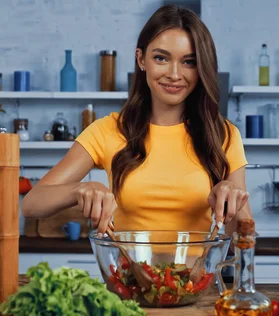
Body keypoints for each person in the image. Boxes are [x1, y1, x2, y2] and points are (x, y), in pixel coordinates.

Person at [21, 4, 253, 239]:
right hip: (127, 276)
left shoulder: (223, 134)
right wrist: (82, 188)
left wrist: (233, 196)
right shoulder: (108, 130)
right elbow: (31, 204)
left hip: (199, 276)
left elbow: (243, 234)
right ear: (141, 59)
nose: (174, 74)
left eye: (189, 62)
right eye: (161, 58)